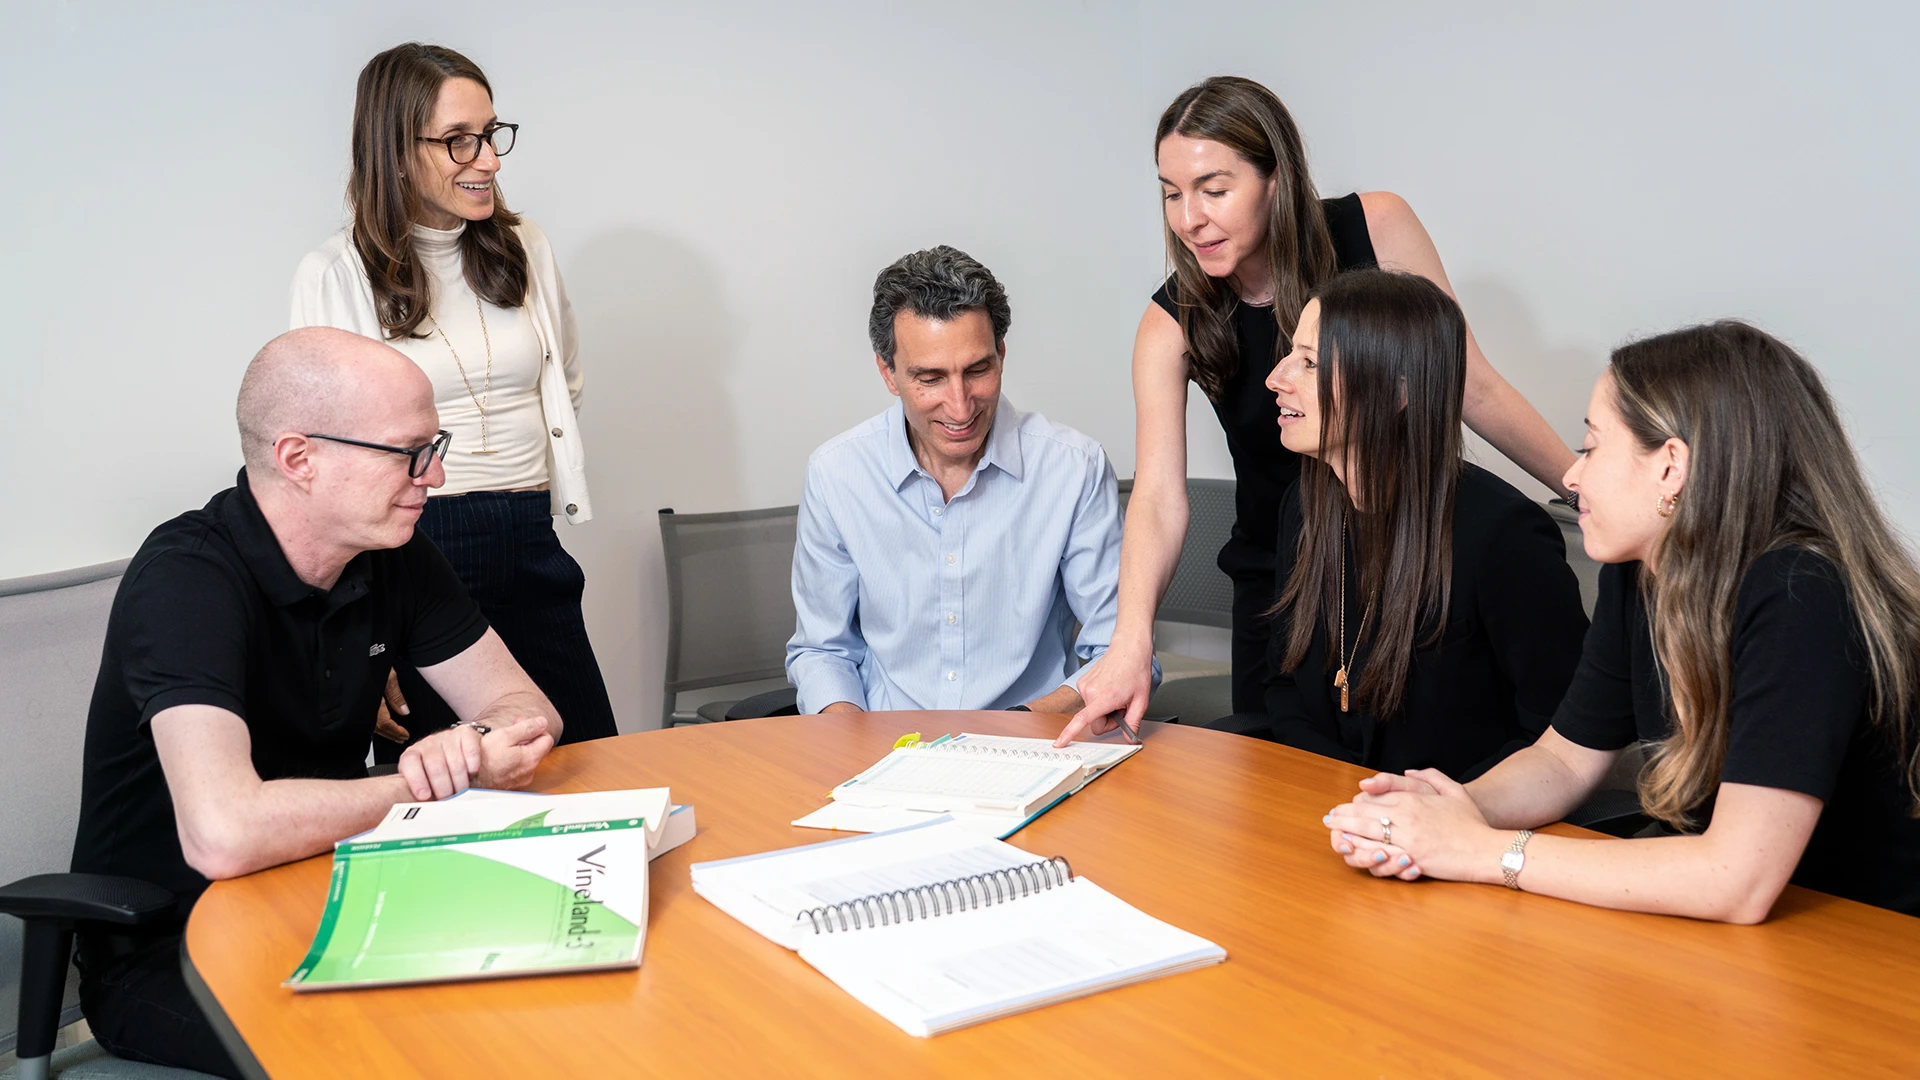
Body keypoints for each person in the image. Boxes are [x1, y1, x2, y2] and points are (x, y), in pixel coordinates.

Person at [70, 328, 561, 1075]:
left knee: (546, 993)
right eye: (408, 452)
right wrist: (425, 787)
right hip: (178, 945)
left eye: (437, 445)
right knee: (422, 1053)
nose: (432, 476)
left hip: (333, 897)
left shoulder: (395, 552)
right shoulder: (186, 579)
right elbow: (223, 836)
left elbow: (527, 708)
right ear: (300, 458)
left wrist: (472, 740)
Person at [1322, 321, 1920, 921]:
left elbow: (1735, 878)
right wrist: (1442, 810)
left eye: (1591, 446)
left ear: (1671, 467)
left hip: (1863, 945)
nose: (1573, 475)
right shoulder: (1641, 572)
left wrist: (1482, 851)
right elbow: (1563, 761)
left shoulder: (1803, 593)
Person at [1059, 76, 1576, 744]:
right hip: (1289, 578)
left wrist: (1586, 489)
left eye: (1214, 189)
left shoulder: (1375, 225)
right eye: (1171, 193)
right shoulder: (1170, 322)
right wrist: (1130, 642)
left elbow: (1470, 385)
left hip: (1410, 554)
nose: (1189, 218)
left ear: (1276, 179)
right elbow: (1158, 497)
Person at [290, 42, 616, 761]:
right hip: (416, 549)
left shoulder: (524, 245)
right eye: (458, 141)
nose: (489, 160)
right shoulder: (335, 274)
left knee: (589, 760)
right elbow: (320, 464)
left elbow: (565, 382)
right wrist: (352, 630)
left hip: (529, 533)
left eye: (492, 134)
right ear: (396, 151)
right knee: (458, 786)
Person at [786, 246, 1148, 714]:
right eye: (930, 379)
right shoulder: (837, 473)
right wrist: (853, 745)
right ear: (888, 373)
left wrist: (1018, 729)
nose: (960, 407)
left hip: (1030, 744)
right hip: (883, 751)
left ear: (1001, 354)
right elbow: (822, 650)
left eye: (977, 370)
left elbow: (1119, 651)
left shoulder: (1073, 468)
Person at [1255, 270, 1587, 778]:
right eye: (1289, 354)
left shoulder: (1505, 538)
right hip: (1326, 810)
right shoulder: (1302, 508)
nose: (1276, 378)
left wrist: (1422, 812)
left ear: (1395, 393)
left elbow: (1560, 735)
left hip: (1457, 827)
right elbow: (1283, 682)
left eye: (1309, 362)